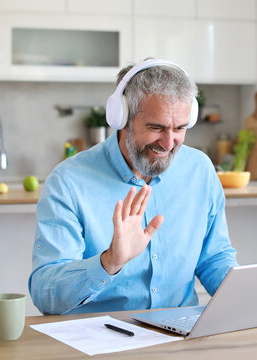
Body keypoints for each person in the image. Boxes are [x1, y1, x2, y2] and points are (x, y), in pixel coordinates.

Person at [29, 58, 238, 315]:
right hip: (99, 339)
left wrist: (246, 300)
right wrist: (109, 262)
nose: (169, 143)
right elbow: (45, 293)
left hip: (181, 337)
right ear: (121, 117)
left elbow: (213, 258)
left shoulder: (200, 170)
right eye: (156, 127)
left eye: (180, 128)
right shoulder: (69, 182)